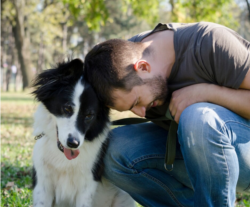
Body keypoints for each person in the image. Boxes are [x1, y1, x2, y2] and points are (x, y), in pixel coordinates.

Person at [84, 22, 250, 207]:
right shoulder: (117, 62)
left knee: (198, 118)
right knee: (110, 150)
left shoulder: (210, 42)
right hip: (196, 154)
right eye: (130, 109)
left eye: (137, 102)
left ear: (143, 68)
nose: (141, 112)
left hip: (242, 149)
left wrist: (207, 92)